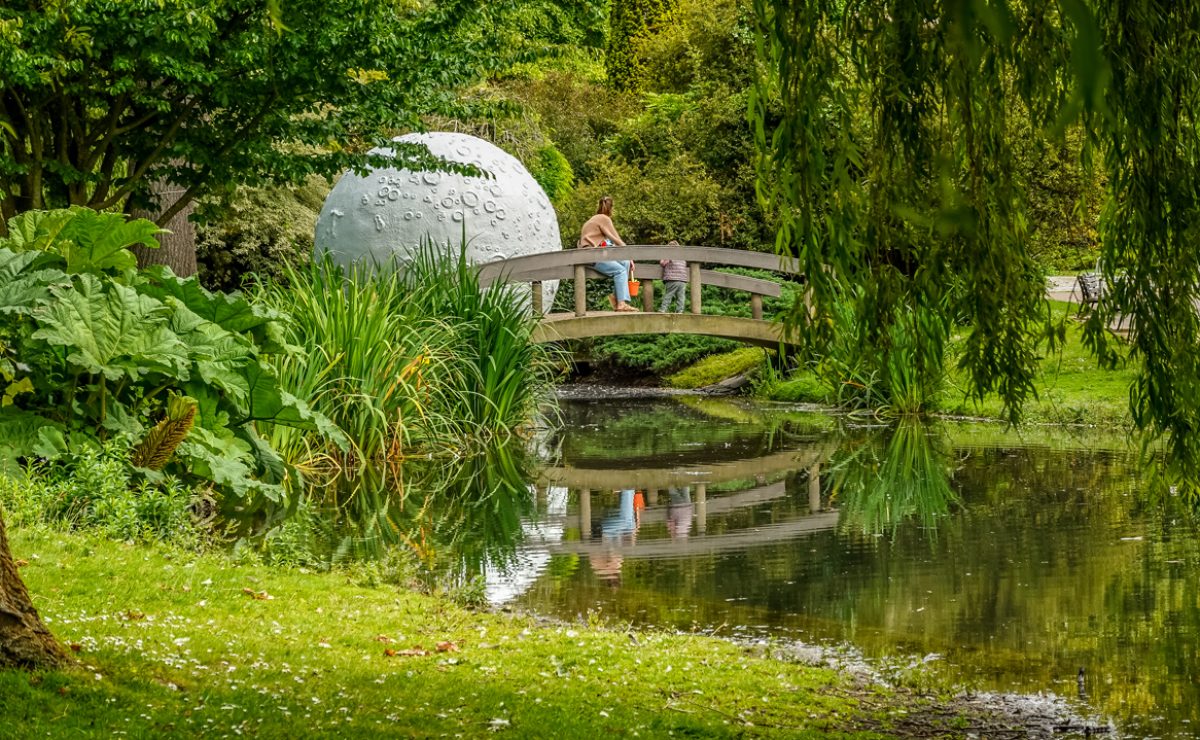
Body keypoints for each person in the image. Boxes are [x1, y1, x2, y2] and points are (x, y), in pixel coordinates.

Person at [578, 195, 638, 312]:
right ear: (611, 208)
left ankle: (617, 299)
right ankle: (621, 303)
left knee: (624, 263)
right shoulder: (604, 219)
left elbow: (608, 243)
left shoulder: (594, 219)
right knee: (620, 271)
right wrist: (630, 257)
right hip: (592, 255)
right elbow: (617, 240)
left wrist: (626, 259)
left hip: (592, 254)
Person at [659, 239, 687, 313]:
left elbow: (663, 263)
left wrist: (663, 258)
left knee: (669, 294)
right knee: (681, 296)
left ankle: (663, 309)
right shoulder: (682, 257)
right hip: (682, 280)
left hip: (672, 279)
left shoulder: (669, 255)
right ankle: (680, 311)